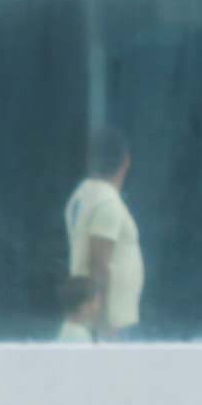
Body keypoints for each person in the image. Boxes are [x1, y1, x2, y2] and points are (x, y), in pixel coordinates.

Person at [64, 126, 144, 341]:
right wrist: (105, 324)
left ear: (90, 159)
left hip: (92, 317)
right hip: (112, 323)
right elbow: (100, 264)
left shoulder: (82, 196)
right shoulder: (107, 202)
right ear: (126, 161)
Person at [55, 275, 100, 343]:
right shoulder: (79, 335)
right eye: (97, 302)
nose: (99, 308)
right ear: (85, 307)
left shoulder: (63, 330)